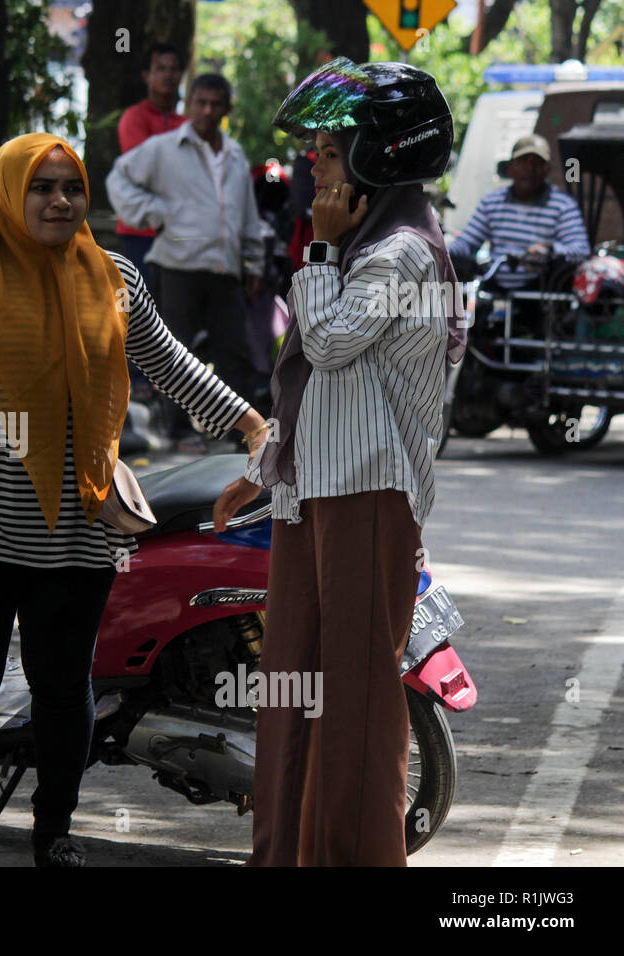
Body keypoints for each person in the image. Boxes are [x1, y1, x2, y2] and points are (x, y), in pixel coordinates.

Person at [0, 133, 270, 867]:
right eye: (41, 186)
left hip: (76, 525)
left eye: (71, 187)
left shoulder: (114, 278)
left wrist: (248, 422)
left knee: (63, 687)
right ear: (7, 194)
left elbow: (171, 363)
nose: (59, 200)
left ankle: (54, 834)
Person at [214, 58, 466, 866]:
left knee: (354, 702)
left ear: (378, 157)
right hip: (313, 492)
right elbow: (321, 392)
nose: (314, 161)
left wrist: (319, 253)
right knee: (290, 693)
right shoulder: (363, 248)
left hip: (368, 497)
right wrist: (266, 463)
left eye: (330, 146)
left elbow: (325, 344)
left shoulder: (402, 255)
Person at [107, 73, 267, 439]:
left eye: (215, 104)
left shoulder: (236, 154)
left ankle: (239, 434)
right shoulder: (164, 148)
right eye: (201, 102)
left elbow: (247, 215)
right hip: (177, 264)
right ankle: (178, 430)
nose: (208, 110)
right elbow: (119, 179)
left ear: (227, 108)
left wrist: (254, 261)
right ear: (189, 104)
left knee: (234, 353)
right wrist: (153, 214)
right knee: (172, 351)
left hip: (225, 267)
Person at [447, 134, 590, 289]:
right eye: (523, 161)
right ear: (510, 167)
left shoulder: (563, 206)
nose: (530, 168)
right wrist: (441, 249)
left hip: (538, 296)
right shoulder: (492, 201)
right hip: (495, 290)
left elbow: (581, 250)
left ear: (546, 169)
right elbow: (467, 243)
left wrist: (550, 249)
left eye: (537, 163)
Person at [114, 42, 187, 283]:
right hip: (140, 231)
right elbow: (143, 172)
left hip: (179, 233)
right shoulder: (133, 118)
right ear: (147, 75)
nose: (168, 74)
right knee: (143, 309)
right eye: (160, 68)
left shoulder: (187, 124)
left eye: (174, 69)